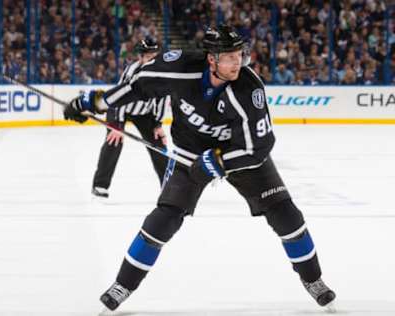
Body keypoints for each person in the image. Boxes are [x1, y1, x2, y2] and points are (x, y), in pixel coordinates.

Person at [63, 25, 336, 312]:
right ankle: (123, 285)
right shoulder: (180, 67)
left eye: (239, 55)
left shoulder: (248, 88)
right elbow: (138, 87)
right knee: (165, 218)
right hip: (188, 151)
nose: (237, 62)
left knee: (286, 215)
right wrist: (93, 102)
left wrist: (219, 162)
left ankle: (313, 280)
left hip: (239, 154)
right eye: (229, 57)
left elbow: (260, 145)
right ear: (211, 58)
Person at [91, 37, 168, 199]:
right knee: (114, 140)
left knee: (158, 144)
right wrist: (117, 125)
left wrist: (157, 124)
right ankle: (100, 185)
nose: (153, 59)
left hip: (144, 112)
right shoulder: (132, 71)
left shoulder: (162, 71)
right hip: (120, 108)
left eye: (155, 55)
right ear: (140, 57)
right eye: (148, 56)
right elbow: (119, 97)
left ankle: (169, 186)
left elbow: (162, 98)